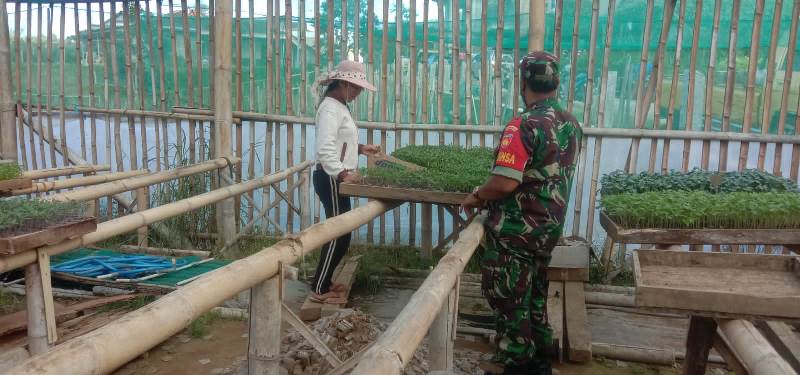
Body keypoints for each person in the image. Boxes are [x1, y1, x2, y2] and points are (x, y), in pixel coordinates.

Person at [461, 51, 582, 375]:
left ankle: (517, 364)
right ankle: (541, 361)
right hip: (547, 231)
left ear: (523, 82)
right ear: (556, 82)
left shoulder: (524, 124)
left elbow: (503, 182)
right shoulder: (570, 123)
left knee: (509, 302)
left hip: (517, 232)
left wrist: (477, 195)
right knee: (535, 299)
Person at [310, 60, 381, 304]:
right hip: (330, 177)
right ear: (342, 83)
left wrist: (361, 148)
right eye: (356, 87)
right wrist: (342, 174)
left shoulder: (339, 105)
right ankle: (319, 288)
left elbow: (341, 142)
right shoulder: (330, 108)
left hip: (334, 176)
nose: (359, 92)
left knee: (342, 232)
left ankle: (325, 280)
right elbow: (325, 148)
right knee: (337, 233)